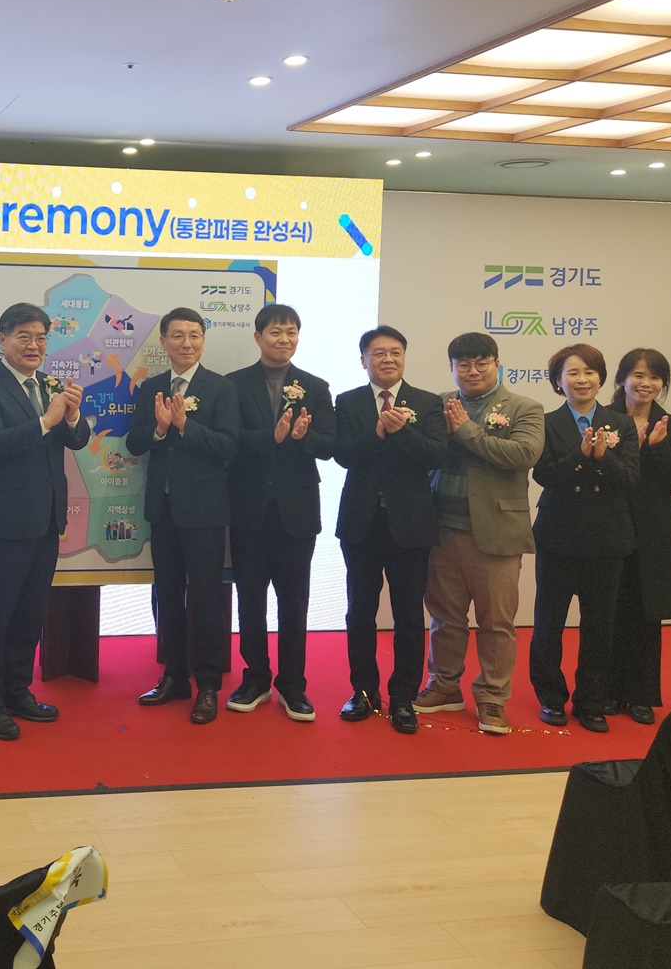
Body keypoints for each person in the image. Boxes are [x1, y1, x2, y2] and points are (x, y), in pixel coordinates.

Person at [0, 302, 91, 740]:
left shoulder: (48, 384)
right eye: (24, 337)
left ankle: (18, 690)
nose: (34, 345)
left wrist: (71, 416)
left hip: (46, 518)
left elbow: (76, 440)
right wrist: (46, 421)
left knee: (29, 613)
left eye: (41, 338)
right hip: (2, 522)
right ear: (3, 340)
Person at [415, 332, 544, 736]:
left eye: (481, 363)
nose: (472, 371)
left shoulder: (524, 407)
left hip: (496, 533)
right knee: (444, 617)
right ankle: (444, 684)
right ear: (452, 368)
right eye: (463, 364)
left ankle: (492, 697)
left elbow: (524, 455)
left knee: (496, 623)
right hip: (441, 530)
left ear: (497, 364)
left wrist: (468, 431)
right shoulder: (438, 404)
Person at [124, 308, 239, 724]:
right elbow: (135, 443)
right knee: (167, 594)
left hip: (205, 510)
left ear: (203, 341)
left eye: (194, 335)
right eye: (177, 335)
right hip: (163, 508)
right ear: (164, 342)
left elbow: (228, 446)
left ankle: (207, 684)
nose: (186, 343)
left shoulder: (221, 388)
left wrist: (185, 425)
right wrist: (158, 429)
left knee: (206, 598)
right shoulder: (151, 388)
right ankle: (173, 676)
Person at [224, 304, 336, 720]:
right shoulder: (234, 384)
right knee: (250, 600)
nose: (284, 339)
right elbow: (230, 440)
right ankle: (255, 678)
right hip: (249, 508)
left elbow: (330, 445)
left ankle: (292, 685)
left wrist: (304, 438)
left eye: (291, 332)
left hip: (296, 512)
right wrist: (269, 438)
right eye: (275, 332)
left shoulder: (316, 386)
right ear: (258, 337)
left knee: (294, 602)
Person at [332, 326, 446, 734]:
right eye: (378, 353)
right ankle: (363, 692)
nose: (388, 359)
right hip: (361, 523)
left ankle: (402, 696)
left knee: (409, 615)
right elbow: (342, 455)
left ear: (404, 358)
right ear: (363, 360)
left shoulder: (427, 402)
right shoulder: (348, 401)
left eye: (395, 352)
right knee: (359, 612)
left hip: (410, 525)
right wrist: (377, 433)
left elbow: (437, 455)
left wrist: (403, 431)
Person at [527, 344, 639, 733]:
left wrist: (603, 457)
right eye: (572, 373)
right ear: (558, 381)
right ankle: (550, 698)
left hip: (607, 538)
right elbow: (542, 475)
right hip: (558, 535)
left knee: (599, 625)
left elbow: (630, 480)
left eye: (589, 372)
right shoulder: (546, 422)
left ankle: (591, 701)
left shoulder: (621, 423)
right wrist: (580, 457)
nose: (582, 379)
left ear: (601, 378)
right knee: (548, 622)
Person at [607, 347, 671, 724]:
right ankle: (607, 691)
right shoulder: (603, 419)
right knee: (608, 610)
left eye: (654, 377)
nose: (646, 383)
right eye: (638, 375)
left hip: (653, 528)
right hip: (609, 523)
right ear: (622, 379)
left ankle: (641, 694)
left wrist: (654, 449)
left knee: (646, 611)